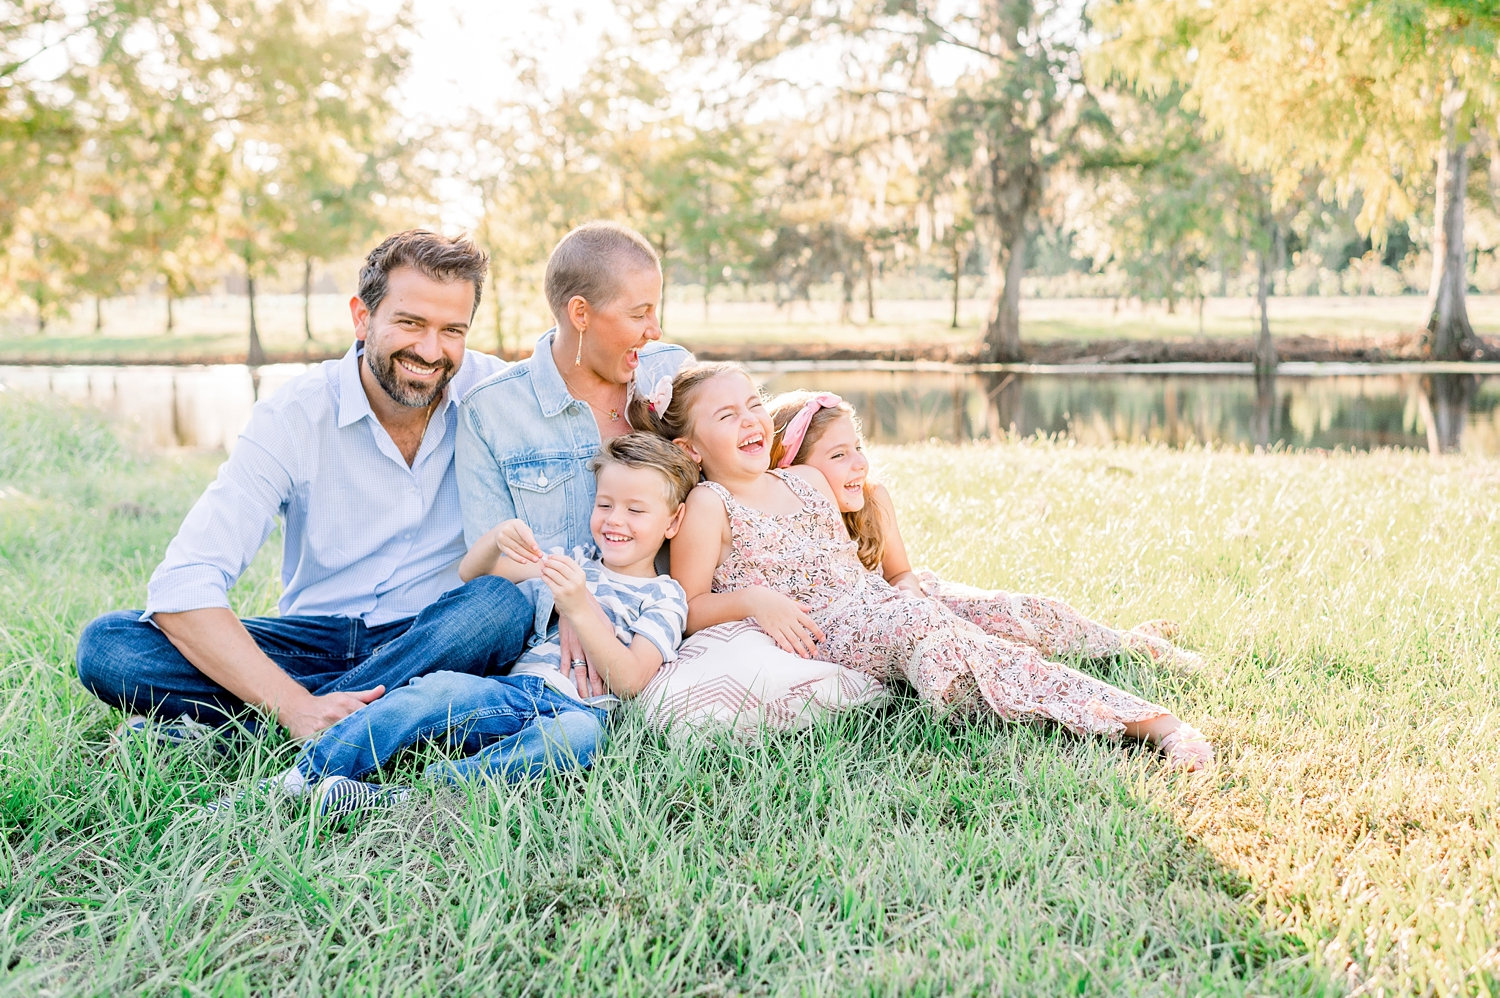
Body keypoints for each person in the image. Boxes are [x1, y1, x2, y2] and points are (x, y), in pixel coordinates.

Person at [636, 363, 1214, 770]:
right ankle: (1150, 725)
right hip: (832, 630)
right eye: (726, 416)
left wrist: (909, 588)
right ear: (691, 448)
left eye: (754, 405)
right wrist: (753, 601)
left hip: (876, 602)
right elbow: (685, 609)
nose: (750, 421)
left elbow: (865, 542)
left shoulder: (807, 481)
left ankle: (1129, 651)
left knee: (1012, 613)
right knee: (950, 644)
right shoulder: (711, 505)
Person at [75, 230, 533, 743]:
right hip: (311, 640)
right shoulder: (294, 415)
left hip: (434, 635)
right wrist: (293, 704)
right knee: (110, 646)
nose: (431, 350)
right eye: (410, 323)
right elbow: (185, 585)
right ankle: (348, 719)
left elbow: (586, 385)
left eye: (452, 330)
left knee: (500, 607)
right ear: (362, 318)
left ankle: (252, 732)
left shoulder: (498, 396)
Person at [226, 434, 698, 817]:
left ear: (673, 521)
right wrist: (497, 540)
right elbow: (478, 576)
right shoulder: (574, 561)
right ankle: (304, 776)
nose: (615, 521)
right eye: (605, 505)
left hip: (580, 711)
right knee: (436, 689)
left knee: (579, 740)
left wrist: (578, 607)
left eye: (636, 510)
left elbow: (633, 679)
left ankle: (410, 799)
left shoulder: (665, 595)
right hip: (513, 691)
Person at [766, 390, 1203, 671]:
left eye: (858, 448)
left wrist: (912, 595)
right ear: (791, 471)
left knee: (1031, 611)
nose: (859, 463)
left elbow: (901, 573)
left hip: (919, 603)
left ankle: (1133, 645)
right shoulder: (784, 530)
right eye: (839, 455)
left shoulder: (872, 500)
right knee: (995, 649)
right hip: (886, 630)